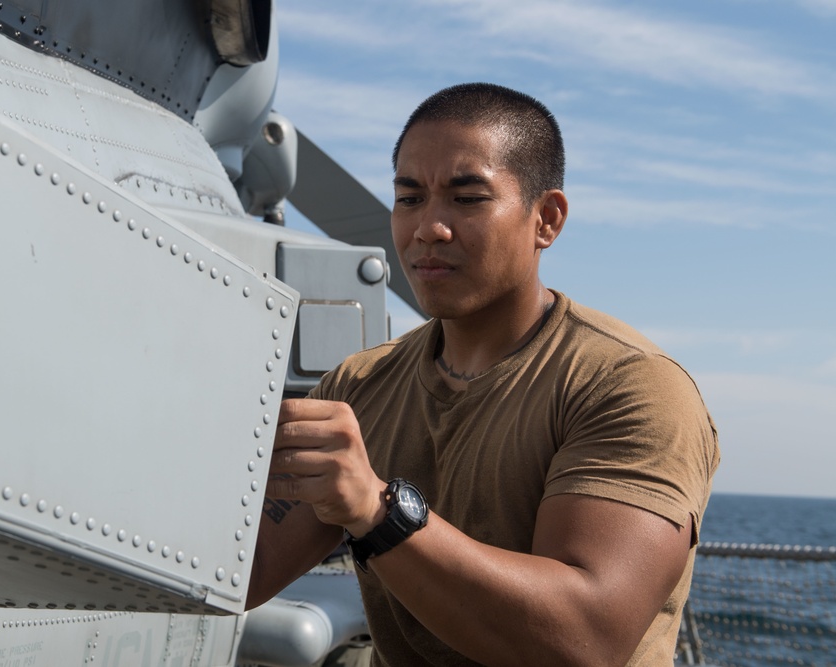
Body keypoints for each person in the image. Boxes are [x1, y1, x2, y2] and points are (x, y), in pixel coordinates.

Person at [248, 82, 720, 666]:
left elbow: (584, 640)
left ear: (546, 219)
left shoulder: (630, 386)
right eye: (410, 198)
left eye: (467, 199)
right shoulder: (358, 386)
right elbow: (246, 571)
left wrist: (376, 511)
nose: (428, 228)